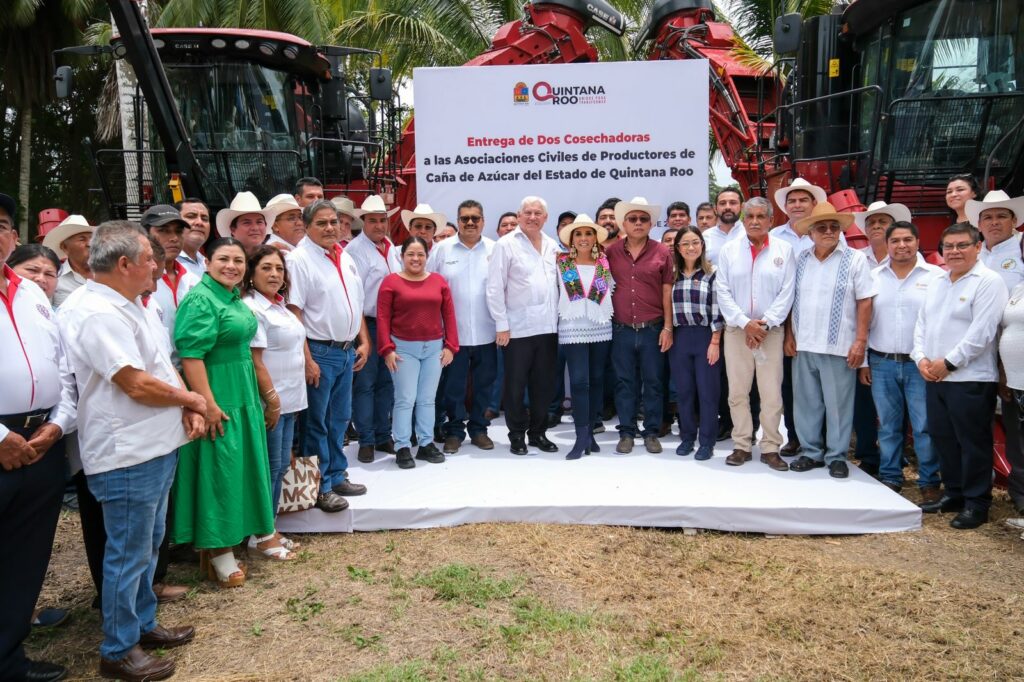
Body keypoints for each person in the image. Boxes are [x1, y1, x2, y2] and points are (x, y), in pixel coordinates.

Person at [58, 220, 207, 681]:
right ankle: (118, 649)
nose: (158, 269)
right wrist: (192, 400)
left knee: (145, 546)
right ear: (123, 264)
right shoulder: (98, 312)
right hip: (127, 452)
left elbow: (160, 364)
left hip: (153, 444)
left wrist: (184, 405)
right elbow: (135, 382)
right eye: (150, 260)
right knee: (128, 552)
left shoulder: (128, 303)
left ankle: (141, 624)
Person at [171, 238, 277, 586]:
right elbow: (191, 356)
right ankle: (217, 550)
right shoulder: (201, 298)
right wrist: (207, 404)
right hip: (217, 392)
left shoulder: (229, 295)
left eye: (238, 260)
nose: (232, 265)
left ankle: (239, 536)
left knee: (239, 468)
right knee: (220, 469)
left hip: (241, 389)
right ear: (208, 261)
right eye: (223, 259)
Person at [0, 192, 70, 682]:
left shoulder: (31, 295)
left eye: (3, 224)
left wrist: (56, 425)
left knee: (25, 557)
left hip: (42, 439)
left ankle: (9, 660)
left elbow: (63, 370)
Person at [914, 223, 1008, 527]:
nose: (954, 252)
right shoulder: (939, 281)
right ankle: (953, 492)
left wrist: (949, 363)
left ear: (977, 247)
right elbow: (922, 324)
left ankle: (977, 502)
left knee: (972, 442)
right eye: (949, 246)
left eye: (962, 245)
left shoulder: (988, 281)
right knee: (944, 438)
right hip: (935, 376)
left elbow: (982, 332)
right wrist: (921, 359)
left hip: (970, 378)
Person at [286, 199, 369, 513]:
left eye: (333, 222)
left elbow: (355, 304)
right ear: (306, 227)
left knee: (338, 420)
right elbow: (294, 312)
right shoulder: (299, 260)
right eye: (321, 223)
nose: (330, 228)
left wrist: (362, 340)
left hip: (345, 351)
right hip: (319, 350)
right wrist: (307, 359)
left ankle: (336, 475)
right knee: (316, 424)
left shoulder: (343, 255)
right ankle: (318, 487)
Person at [786, 202, 874, 479]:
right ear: (810, 232)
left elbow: (865, 301)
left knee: (838, 405)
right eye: (821, 227)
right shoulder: (800, 260)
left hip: (839, 345)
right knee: (806, 402)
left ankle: (836, 456)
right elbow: (790, 300)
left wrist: (860, 340)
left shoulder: (855, 259)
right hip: (804, 343)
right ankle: (811, 452)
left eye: (833, 227)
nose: (828, 231)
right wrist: (789, 335)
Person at [861, 221, 942, 500]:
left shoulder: (936, 276)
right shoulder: (873, 276)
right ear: (888, 244)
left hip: (921, 365)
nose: (901, 245)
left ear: (918, 242)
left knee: (924, 426)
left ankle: (929, 480)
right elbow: (864, 322)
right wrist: (864, 362)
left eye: (908, 239)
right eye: (895, 241)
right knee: (887, 425)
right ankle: (890, 476)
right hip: (881, 362)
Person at [715, 197, 795, 470]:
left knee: (771, 392)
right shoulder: (729, 250)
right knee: (738, 391)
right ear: (743, 219)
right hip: (737, 331)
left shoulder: (784, 250)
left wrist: (765, 324)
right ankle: (741, 445)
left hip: (770, 333)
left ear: (771, 221)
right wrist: (744, 323)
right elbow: (722, 291)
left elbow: (787, 292)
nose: (755, 221)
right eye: (749, 216)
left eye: (761, 216)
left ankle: (771, 447)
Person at [243, 246, 306, 556]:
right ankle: (261, 533)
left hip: (291, 399)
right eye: (266, 268)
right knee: (267, 467)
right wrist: (272, 400)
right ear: (252, 274)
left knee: (280, 465)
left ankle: (269, 525)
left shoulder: (279, 306)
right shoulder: (252, 308)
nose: (274, 274)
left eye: (279, 269)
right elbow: (255, 361)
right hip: (272, 401)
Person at [486, 196, 561, 455]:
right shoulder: (505, 245)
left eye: (537, 213)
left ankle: (538, 433)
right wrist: (501, 325)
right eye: (527, 212)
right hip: (517, 329)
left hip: (549, 328)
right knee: (516, 386)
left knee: (543, 386)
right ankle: (517, 434)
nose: (532, 217)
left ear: (545, 218)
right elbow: (494, 288)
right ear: (519, 216)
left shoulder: (552, 245)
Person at [378, 237, 458, 467]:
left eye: (420, 254)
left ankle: (425, 443)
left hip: (433, 348)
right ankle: (403, 446)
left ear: (427, 256)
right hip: (403, 348)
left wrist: (451, 345)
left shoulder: (438, 281)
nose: (416, 258)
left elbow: (450, 315)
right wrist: (387, 349)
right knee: (405, 399)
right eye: (411, 254)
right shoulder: (391, 282)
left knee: (427, 399)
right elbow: (383, 318)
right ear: (402, 257)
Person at [968, 190, 1024, 514]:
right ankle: (980, 486)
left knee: (1017, 427)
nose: (994, 222)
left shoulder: (1019, 253)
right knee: (978, 423)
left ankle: (1019, 495)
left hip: (1011, 355)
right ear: (979, 223)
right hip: (977, 354)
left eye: (1001, 216)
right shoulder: (976, 255)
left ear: (1014, 221)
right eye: (987, 217)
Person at [428, 200, 498, 454]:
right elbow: (429, 285)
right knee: (453, 386)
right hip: (451, 335)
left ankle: (479, 429)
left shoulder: (495, 249)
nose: (470, 223)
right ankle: (455, 431)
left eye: (475, 218)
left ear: (483, 221)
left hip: (487, 331)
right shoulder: (442, 250)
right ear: (457, 221)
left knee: (484, 384)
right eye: (465, 218)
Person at [605, 197, 674, 454]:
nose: (637, 223)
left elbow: (667, 291)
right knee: (624, 382)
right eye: (632, 219)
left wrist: (668, 327)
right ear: (624, 223)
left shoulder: (662, 252)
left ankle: (652, 431)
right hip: (621, 329)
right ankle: (626, 432)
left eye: (643, 219)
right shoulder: (610, 252)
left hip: (653, 329)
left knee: (654, 382)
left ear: (650, 223)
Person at [769, 178, 829, 455]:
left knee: (823, 385)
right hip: (785, 321)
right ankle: (795, 436)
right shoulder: (774, 237)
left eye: (803, 200)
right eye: (792, 200)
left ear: (813, 204)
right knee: (791, 386)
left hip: (820, 320)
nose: (797, 205)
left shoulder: (826, 232)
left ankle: (825, 440)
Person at [347, 195, 402, 462]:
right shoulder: (354, 251)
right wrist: (362, 337)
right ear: (364, 222)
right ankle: (366, 439)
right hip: (368, 322)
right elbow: (355, 296)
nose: (379, 225)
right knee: (365, 384)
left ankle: (383, 435)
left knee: (386, 383)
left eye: (382, 220)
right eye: (373, 221)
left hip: (391, 323)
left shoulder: (391, 247)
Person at [554, 215, 615, 459]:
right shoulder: (560, 263)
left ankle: (590, 433)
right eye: (578, 234)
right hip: (573, 327)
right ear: (571, 239)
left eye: (588, 234)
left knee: (597, 379)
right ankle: (580, 437)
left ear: (595, 238)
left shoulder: (604, 263)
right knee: (579, 382)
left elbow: (611, 290)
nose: (583, 239)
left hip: (600, 326)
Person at [667, 226, 723, 460]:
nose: (690, 248)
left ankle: (707, 441)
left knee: (707, 391)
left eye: (695, 242)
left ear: (702, 245)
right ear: (678, 249)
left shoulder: (713, 273)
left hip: (705, 337)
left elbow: (718, 308)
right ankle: (687, 437)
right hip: (680, 337)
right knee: (684, 391)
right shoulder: (672, 275)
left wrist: (715, 340)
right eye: (685, 244)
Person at [141, 205, 201, 361]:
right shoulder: (135, 282)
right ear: (144, 234)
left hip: (194, 367)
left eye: (178, 231)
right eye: (164, 230)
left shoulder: (193, 279)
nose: (174, 238)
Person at [1000, 280, 1024, 517]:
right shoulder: (1018, 288)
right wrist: (1003, 373)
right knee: (1017, 443)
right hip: (1014, 381)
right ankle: (1021, 499)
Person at [43, 214, 94, 307]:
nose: (90, 244)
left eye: (93, 239)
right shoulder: (54, 278)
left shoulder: (110, 274)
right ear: (65, 247)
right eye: (82, 239)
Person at [855, 201, 912, 267]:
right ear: (865, 229)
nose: (876, 226)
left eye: (883, 222)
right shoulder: (855, 258)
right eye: (871, 223)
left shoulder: (910, 256)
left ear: (893, 228)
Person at [216, 191, 272, 256]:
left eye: (259, 222)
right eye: (247, 223)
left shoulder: (277, 257)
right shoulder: (224, 259)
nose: (255, 228)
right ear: (233, 230)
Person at [703, 187, 745, 265]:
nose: (727, 207)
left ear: (742, 207)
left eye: (733, 203)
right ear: (715, 209)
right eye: (722, 203)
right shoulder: (705, 236)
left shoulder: (750, 234)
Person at [176, 197, 210, 277]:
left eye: (205, 219)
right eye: (191, 216)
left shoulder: (207, 263)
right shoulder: (162, 263)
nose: (199, 222)